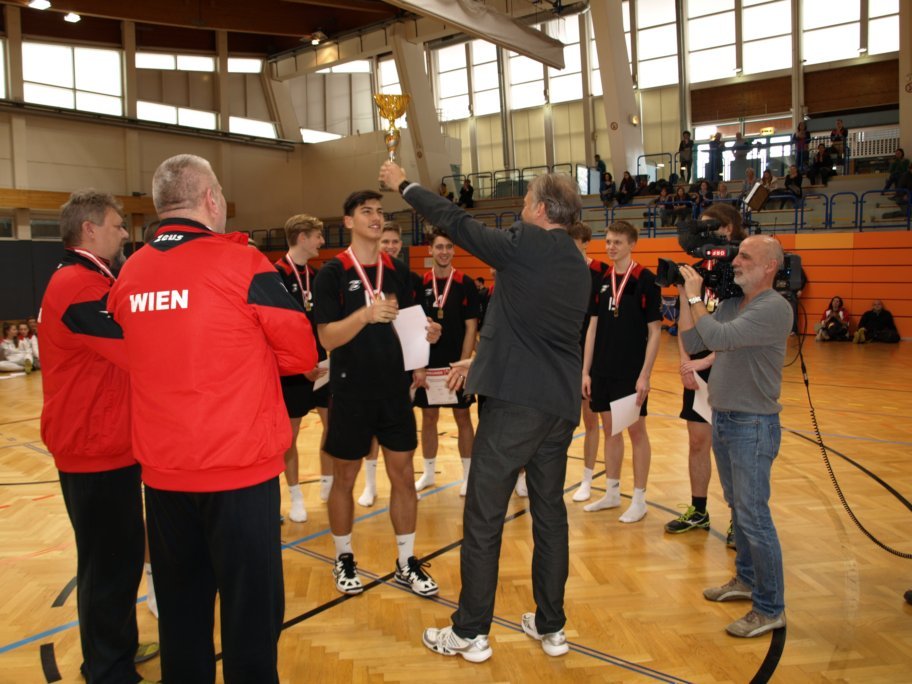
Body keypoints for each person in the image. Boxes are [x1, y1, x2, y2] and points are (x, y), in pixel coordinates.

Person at [108, 154, 318, 683]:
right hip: (237, 472)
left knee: (181, 617)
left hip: (163, 475)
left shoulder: (129, 273)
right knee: (251, 620)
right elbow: (301, 353)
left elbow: (133, 349)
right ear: (210, 198)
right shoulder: (242, 263)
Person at [379, 161, 589, 663]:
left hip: (517, 406)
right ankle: (551, 626)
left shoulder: (526, 242)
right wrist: (479, 359)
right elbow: (536, 331)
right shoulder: (578, 263)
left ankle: (471, 631)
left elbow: (456, 222)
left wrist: (404, 184)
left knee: (483, 517)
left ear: (541, 210)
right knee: (550, 515)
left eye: (525, 202)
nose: (520, 210)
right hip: (558, 407)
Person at [38, 190, 159, 683]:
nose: (125, 233)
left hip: (108, 443)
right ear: (89, 229)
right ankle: (107, 669)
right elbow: (135, 350)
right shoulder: (77, 285)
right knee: (107, 565)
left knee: (120, 558)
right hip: (92, 447)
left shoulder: (91, 279)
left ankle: (118, 647)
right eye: (117, 225)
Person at [312, 189, 442, 597]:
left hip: (394, 392)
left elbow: (411, 324)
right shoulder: (332, 273)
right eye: (366, 211)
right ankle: (343, 557)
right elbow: (327, 338)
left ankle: (406, 561)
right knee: (345, 478)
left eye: (379, 211)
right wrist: (365, 315)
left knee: (402, 475)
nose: (375, 216)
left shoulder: (399, 271)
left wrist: (428, 333)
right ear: (348, 222)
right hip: (351, 391)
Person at [677, 235, 792, 638]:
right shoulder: (731, 305)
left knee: (754, 516)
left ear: (769, 266)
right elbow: (695, 342)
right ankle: (745, 579)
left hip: (753, 425)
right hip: (725, 419)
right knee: (739, 509)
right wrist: (684, 296)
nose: (736, 261)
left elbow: (720, 339)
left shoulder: (774, 307)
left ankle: (770, 608)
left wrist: (696, 297)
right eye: (737, 255)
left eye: (745, 256)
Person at [665, 203, 746, 537]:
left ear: (727, 229)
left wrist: (708, 359)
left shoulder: (742, 271)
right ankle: (699, 511)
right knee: (698, 442)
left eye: (710, 227)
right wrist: (686, 362)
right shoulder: (695, 273)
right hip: (698, 365)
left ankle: (739, 518)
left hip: (731, 367)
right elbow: (685, 325)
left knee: (731, 447)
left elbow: (738, 333)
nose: (702, 234)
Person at [581, 220, 662, 523]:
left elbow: (655, 331)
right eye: (608, 241)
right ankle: (612, 493)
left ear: (632, 244)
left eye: (617, 242)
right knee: (610, 431)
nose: (611, 247)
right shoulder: (601, 279)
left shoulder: (646, 280)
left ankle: (639, 499)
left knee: (636, 432)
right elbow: (592, 328)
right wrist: (586, 371)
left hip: (630, 372)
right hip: (602, 370)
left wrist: (645, 375)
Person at [357, 220, 424, 507]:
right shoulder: (364, 277)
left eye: (396, 241)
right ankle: (371, 485)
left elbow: (418, 322)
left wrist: (419, 364)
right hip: (371, 363)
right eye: (386, 241)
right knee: (372, 429)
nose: (392, 246)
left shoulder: (409, 278)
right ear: (377, 243)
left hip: (403, 365)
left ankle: (405, 481)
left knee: (404, 429)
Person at [414, 228, 480, 496]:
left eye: (449, 247)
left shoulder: (465, 283)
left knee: (463, 417)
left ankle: (468, 475)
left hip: (456, 366)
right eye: (439, 247)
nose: (444, 252)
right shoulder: (420, 284)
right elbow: (416, 327)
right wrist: (419, 365)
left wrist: (463, 366)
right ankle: (428, 473)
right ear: (430, 250)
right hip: (428, 365)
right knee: (428, 417)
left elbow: (471, 327)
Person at [274, 214, 332, 521]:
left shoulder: (318, 276)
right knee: (290, 436)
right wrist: (299, 365)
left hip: (321, 364)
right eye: (318, 236)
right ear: (302, 238)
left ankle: (328, 484)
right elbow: (276, 329)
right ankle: (296, 496)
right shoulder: (274, 275)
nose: (322, 241)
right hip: (293, 370)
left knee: (331, 426)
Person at [568, 221, 608, 503]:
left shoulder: (602, 273)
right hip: (562, 352)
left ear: (586, 244)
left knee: (590, 418)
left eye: (575, 244)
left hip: (590, 353)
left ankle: (587, 479)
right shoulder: (558, 271)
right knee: (557, 421)